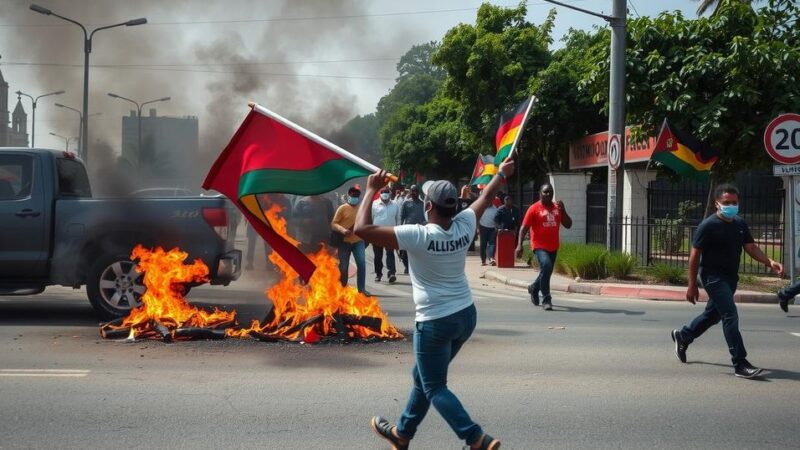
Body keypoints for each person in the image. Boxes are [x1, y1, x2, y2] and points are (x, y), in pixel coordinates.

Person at [354, 158, 515, 450]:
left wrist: (370, 191)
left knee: (434, 386)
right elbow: (487, 196)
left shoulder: (417, 235)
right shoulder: (466, 223)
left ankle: (476, 438)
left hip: (434, 322)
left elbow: (362, 229)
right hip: (465, 316)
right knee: (423, 377)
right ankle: (402, 434)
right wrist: (501, 173)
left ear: (428, 207)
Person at [671, 184, 782, 379]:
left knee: (713, 315)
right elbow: (694, 255)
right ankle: (740, 363)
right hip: (712, 277)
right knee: (730, 314)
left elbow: (751, 247)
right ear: (717, 204)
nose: (731, 205)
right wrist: (691, 285)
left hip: (730, 278)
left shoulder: (739, 224)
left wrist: (769, 261)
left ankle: (684, 335)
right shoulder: (708, 225)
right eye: (726, 202)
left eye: (734, 202)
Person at [515, 183, 572, 311]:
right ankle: (546, 299)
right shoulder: (534, 208)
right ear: (540, 193)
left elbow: (568, 225)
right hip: (539, 245)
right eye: (545, 192)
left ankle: (534, 287)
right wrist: (519, 245)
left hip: (553, 246)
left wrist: (563, 210)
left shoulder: (557, 208)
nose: (548, 194)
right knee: (546, 266)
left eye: (550, 192)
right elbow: (524, 227)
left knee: (547, 271)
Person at [331, 185, 368, 295]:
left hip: (358, 241)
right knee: (343, 266)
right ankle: (342, 289)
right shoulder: (342, 208)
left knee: (361, 264)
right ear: (348, 196)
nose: (354, 198)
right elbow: (333, 224)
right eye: (352, 196)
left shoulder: (362, 209)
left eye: (356, 196)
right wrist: (342, 230)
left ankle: (361, 289)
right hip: (344, 242)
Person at [245, 193, 292, 270]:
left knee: (268, 244)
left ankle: (269, 264)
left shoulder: (273, 198)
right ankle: (250, 262)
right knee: (252, 242)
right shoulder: (258, 197)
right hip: (255, 222)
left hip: (267, 223)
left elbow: (286, 214)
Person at [372, 186, 401, 283]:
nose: (385, 193)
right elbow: (371, 218)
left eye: (387, 192)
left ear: (390, 193)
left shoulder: (395, 204)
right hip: (377, 233)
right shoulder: (374, 204)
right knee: (377, 255)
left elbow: (398, 218)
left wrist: (399, 231)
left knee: (390, 253)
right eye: (383, 191)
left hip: (390, 232)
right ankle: (378, 274)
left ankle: (391, 273)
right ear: (380, 193)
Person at [398, 184, 426, 274]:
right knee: (405, 251)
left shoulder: (422, 204)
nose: (414, 192)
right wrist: (400, 228)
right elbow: (402, 217)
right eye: (412, 191)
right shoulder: (406, 203)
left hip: (419, 230)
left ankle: (416, 267)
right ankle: (407, 267)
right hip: (408, 230)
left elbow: (425, 218)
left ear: (418, 192)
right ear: (410, 192)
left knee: (417, 250)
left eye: (416, 191)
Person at [478, 195, 498, 266]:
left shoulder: (495, 209)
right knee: (483, 244)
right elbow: (477, 218)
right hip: (483, 227)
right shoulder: (482, 208)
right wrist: (477, 228)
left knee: (492, 243)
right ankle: (483, 261)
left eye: (491, 201)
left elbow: (497, 219)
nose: (490, 202)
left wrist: (496, 226)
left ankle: (491, 258)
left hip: (492, 228)